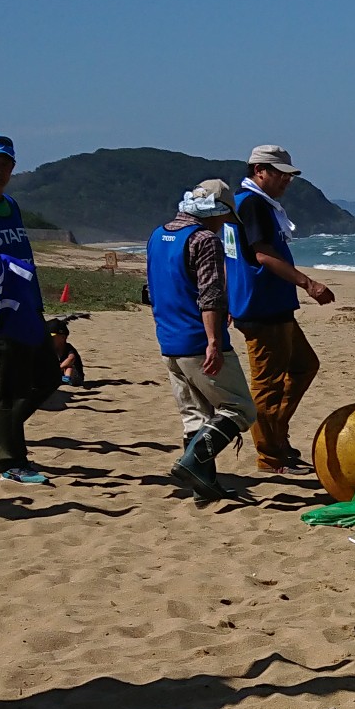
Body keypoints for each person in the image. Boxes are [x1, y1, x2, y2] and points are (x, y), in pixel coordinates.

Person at [225, 143, 335, 476]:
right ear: (259, 171)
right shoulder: (253, 204)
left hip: (268, 305)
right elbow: (261, 255)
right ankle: (271, 453)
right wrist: (308, 283)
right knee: (267, 385)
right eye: (279, 174)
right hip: (262, 307)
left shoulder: (253, 204)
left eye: (289, 176)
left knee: (305, 365)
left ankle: (278, 433)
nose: (286, 181)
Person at [146, 178, 259, 502]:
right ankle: (192, 462)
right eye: (224, 218)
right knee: (240, 408)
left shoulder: (158, 236)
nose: (224, 224)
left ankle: (203, 484)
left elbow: (154, 287)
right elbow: (209, 295)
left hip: (169, 338)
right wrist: (213, 340)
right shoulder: (204, 240)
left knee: (194, 414)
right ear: (216, 211)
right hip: (197, 338)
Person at [0, 130, 56, 486]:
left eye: (5, 164)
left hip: (26, 305)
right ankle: (12, 462)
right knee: (9, 388)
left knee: (49, 376)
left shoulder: (10, 206)